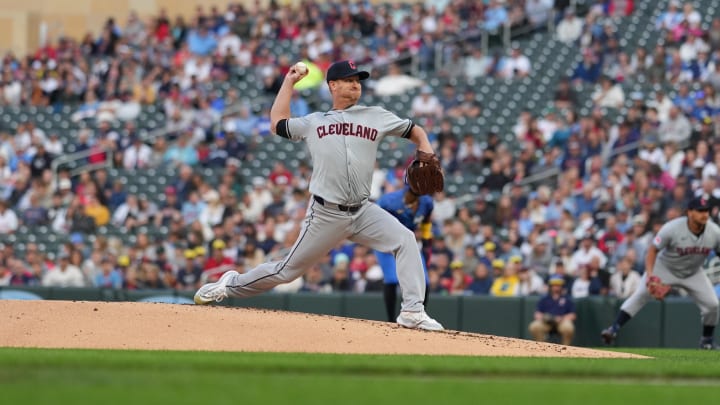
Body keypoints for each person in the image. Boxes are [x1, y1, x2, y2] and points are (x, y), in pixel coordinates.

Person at [194, 60, 444, 331]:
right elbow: (277, 123)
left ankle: (412, 311)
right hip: (326, 214)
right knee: (286, 272)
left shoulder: (376, 115)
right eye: (349, 80)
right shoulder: (314, 122)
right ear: (332, 86)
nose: (355, 85)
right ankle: (229, 284)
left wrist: (426, 150)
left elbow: (415, 130)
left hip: (362, 211)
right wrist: (289, 82)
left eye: (358, 81)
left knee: (406, 239)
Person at [601, 197, 720, 349]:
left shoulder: (714, 232)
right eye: (700, 211)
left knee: (712, 304)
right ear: (689, 212)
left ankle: (707, 340)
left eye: (706, 211)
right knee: (641, 294)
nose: (705, 214)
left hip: (693, 272)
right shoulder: (672, 228)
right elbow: (653, 250)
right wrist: (650, 275)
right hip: (665, 268)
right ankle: (613, 329)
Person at [374, 186, 434, 322]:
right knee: (392, 279)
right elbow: (373, 221)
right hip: (386, 242)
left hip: (409, 243)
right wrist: (382, 241)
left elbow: (426, 223)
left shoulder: (427, 202)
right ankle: (390, 321)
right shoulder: (388, 201)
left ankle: (419, 318)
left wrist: (426, 241)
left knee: (424, 281)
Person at [528, 275, 576, 346]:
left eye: (558, 285)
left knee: (568, 327)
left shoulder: (567, 299)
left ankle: (566, 349)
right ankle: (542, 347)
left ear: (562, 286)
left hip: (561, 322)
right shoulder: (544, 299)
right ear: (550, 286)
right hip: (547, 323)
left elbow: (573, 315)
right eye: (554, 285)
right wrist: (545, 318)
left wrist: (561, 318)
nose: (556, 287)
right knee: (534, 326)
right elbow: (537, 314)